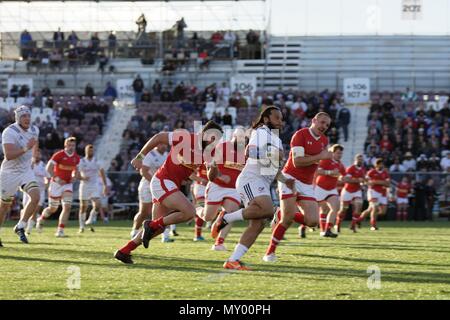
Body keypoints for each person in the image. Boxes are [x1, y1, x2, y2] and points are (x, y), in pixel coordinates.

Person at [114, 120, 223, 264]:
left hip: (169, 185)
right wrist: (140, 156)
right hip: (162, 181)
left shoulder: (210, 152)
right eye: (214, 138)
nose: (215, 142)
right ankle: (150, 225)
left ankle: (124, 251)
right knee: (189, 212)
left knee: (158, 229)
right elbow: (159, 137)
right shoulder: (186, 138)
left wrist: (213, 166)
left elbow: (211, 177)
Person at [210, 106, 297, 269]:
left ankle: (233, 260)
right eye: (277, 118)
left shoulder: (275, 139)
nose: (280, 121)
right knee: (269, 210)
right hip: (251, 179)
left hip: (262, 183)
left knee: (259, 224)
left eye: (281, 118)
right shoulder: (261, 132)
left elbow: (272, 169)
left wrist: (285, 180)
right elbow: (250, 152)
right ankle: (226, 218)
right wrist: (271, 155)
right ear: (266, 120)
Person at [261, 112, 332, 262]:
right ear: (314, 120)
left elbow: (315, 161)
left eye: (327, 124)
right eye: (322, 122)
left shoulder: (324, 140)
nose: (324, 126)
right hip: (289, 179)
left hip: (306, 183)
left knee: (313, 221)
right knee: (287, 221)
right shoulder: (300, 135)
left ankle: (281, 213)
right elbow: (297, 162)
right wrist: (320, 157)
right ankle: (269, 253)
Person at [196, 128, 246, 251]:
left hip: (234, 189)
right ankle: (197, 209)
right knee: (207, 217)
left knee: (230, 214)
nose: (240, 141)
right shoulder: (223, 147)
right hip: (217, 186)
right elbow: (210, 165)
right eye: (238, 137)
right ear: (233, 137)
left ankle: (219, 242)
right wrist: (220, 175)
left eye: (243, 138)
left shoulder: (246, 152)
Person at [0, 106, 40, 246]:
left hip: (25, 171)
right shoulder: (10, 132)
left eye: (28, 116)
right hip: (9, 173)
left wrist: (34, 157)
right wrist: (26, 148)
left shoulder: (34, 129)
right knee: (4, 206)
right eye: (23, 116)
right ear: (17, 118)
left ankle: (20, 226)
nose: (27, 118)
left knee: (36, 197)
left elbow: (35, 143)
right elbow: (9, 155)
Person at [36, 137, 81, 237]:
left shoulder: (76, 158)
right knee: (53, 208)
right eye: (69, 145)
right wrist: (57, 179)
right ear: (65, 145)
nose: (71, 147)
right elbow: (48, 168)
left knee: (67, 206)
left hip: (67, 185)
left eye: (73, 145)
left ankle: (60, 230)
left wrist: (74, 176)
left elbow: (77, 170)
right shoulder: (59, 155)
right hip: (56, 184)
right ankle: (41, 219)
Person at [129, 143, 170, 242]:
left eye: (165, 144)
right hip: (147, 186)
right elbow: (143, 171)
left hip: (160, 186)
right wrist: (155, 182)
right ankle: (134, 231)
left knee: (166, 210)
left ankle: (166, 236)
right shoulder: (150, 155)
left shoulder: (167, 155)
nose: (163, 146)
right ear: (156, 145)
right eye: (162, 144)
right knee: (144, 212)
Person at [314, 144, 347, 238]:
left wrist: (343, 178)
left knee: (335, 208)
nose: (340, 155)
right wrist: (330, 172)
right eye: (338, 153)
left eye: (341, 153)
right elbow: (317, 171)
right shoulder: (326, 160)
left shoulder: (340, 164)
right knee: (317, 211)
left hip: (332, 190)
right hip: (320, 188)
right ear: (332, 153)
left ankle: (328, 230)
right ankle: (303, 227)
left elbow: (344, 176)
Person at [77, 145, 107, 233]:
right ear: (85, 151)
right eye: (89, 151)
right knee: (83, 206)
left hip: (94, 186)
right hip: (84, 186)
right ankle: (81, 226)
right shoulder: (82, 161)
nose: (91, 152)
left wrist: (105, 185)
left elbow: (102, 173)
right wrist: (83, 178)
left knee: (97, 204)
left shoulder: (97, 161)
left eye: (92, 151)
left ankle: (90, 218)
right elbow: (76, 174)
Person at [21, 149, 49, 235]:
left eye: (39, 154)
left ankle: (28, 230)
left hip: (40, 191)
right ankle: (23, 225)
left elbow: (47, 177)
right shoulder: (29, 165)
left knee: (35, 210)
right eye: (35, 154)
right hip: (28, 191)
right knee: (26, 209)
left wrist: (46, 184)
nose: (37, 156)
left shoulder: (43, 166)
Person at [357, 158, 390, 230]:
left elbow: (388, 184)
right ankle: (373, 225)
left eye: (382, 164)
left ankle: (359, 220)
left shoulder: (385, 173)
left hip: (382, 193)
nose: (381, 165)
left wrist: (376, 182)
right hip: (373, 191)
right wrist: (380, 182)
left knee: (382, 211)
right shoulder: (371, 172)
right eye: (380, 164)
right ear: (376, 165)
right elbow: (366, 181)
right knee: (374, 208)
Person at [336, 154, 366, 233]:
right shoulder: (350, 168)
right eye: (359, 159)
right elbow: (347, 180)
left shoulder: (363, 169)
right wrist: (358, 180)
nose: (360, 161)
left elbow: (362, 180)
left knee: (358, 207)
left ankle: (353, 225)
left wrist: (363, 183)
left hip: (357, 191)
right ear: (355, 160)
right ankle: (338, 225)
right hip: (347, 190)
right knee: (343, 210)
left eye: (361, 160)